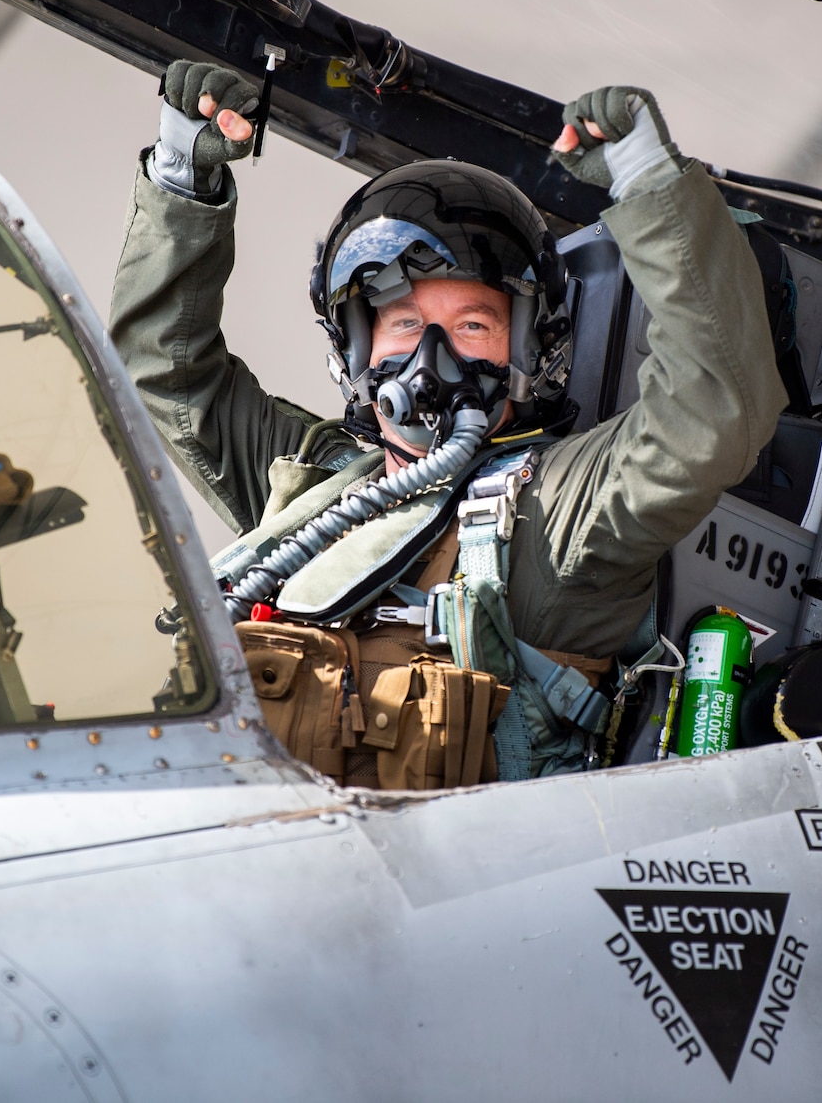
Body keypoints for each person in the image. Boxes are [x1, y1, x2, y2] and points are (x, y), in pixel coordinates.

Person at [111, 60, 786, 783]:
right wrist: (182, 178)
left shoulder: (560, 512)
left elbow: (715, 406)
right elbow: (166, 374)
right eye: (403, 321)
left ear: (528, 348)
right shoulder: (316, 487)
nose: (430, 356)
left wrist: (650, 180)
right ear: (356, 347)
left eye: (471, 323)